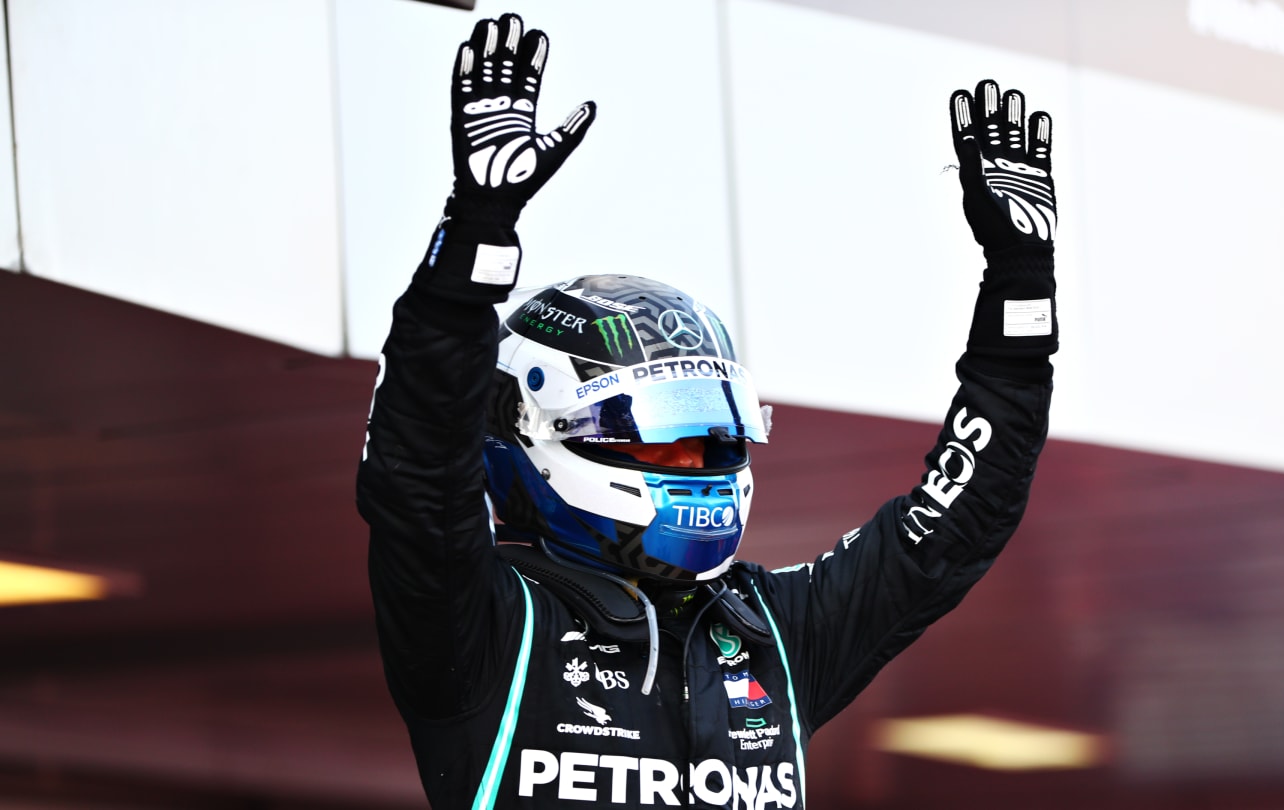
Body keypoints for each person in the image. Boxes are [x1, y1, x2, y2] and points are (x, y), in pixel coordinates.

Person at [357, 13, 1057, 810]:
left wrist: (1021, 285)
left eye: (715, 436)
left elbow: (954, 527)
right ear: (542, 434)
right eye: (664, 439)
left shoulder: (772, 634)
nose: (699, 462)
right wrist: (477, 237)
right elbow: (415, 481)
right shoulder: (484, 626)